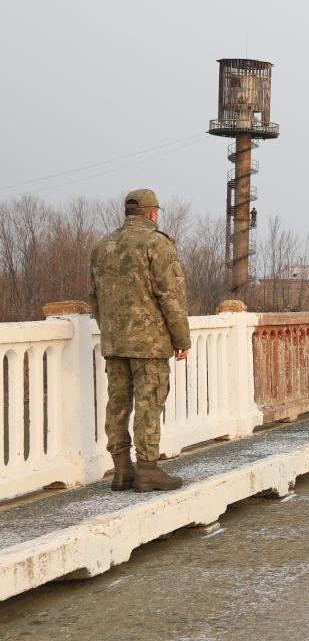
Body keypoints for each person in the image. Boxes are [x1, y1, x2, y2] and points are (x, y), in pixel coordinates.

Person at [88, 189, 190, 493]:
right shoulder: (157, 243)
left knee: (117, 403)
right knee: (149, 402)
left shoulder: (102, 246)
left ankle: (122, 470)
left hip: (115, 343)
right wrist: (181, 338)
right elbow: (171, 297)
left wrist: (110, 331)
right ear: (152, 213)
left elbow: (94, 297)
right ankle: (147, 470)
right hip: (149, 344)